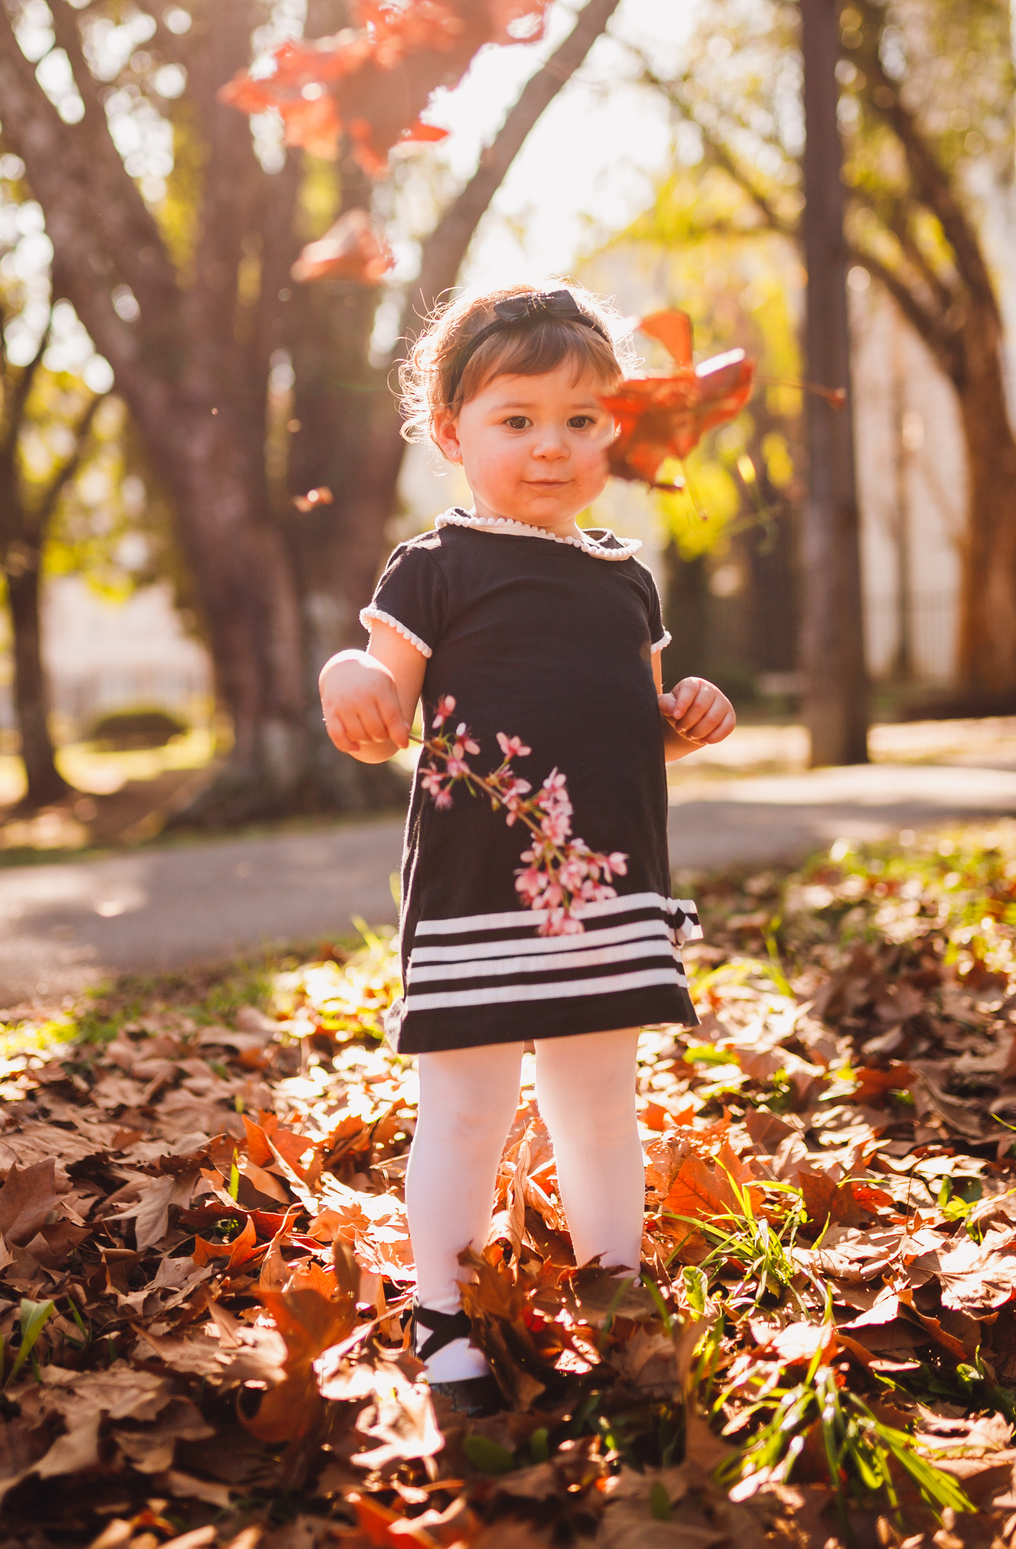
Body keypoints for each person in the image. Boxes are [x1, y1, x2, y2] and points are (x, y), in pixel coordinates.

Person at [319, 282, 735, 1411]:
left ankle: (616, 1290)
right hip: (476, 895)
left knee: (601, 1101)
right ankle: (443, 1316)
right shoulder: (434, 566)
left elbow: (631, 723)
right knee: (466, 1107)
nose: (551, 447)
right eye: (517, 420)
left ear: (616, 432)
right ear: (451, 432)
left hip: (604, 894)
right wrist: (345, 680)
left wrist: (684, 713)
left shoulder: (625, 577)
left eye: (580, 421)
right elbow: (380, 695)